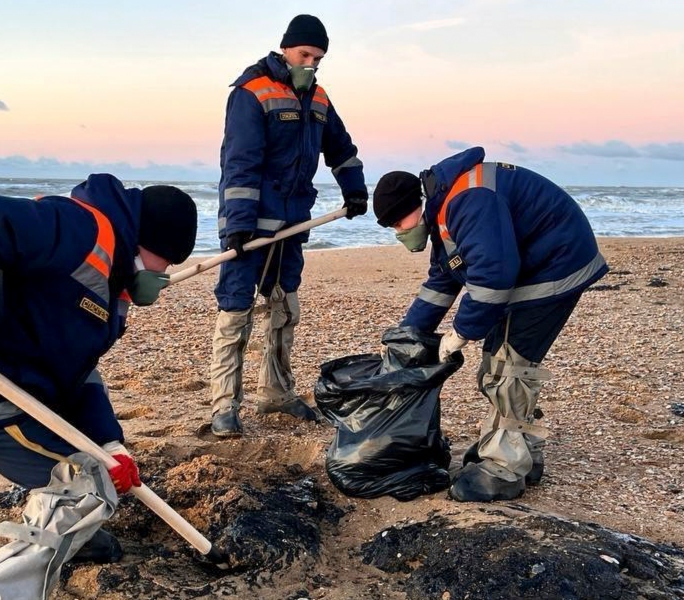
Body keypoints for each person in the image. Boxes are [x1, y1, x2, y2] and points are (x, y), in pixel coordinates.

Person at [0, 173, 198, 561]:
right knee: (90, 489)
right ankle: (33, 554)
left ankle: (62, 489)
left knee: (97, 466)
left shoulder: (114, 283)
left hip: (19, 385)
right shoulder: (79, 230)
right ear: (147, 239)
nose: (164, 273)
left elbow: (78, 371)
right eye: (167, 261)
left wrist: (109, 440)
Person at [371, 146, 609, 502]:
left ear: (414, 207)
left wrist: (460, 334)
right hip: (535, 263)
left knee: (508, 367)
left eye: (396, 224)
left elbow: (494, 277)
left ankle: (505, 469)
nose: (398, 232)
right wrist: (408, 336)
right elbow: (443, 280)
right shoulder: (444, 210)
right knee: (501, 362)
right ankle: (520, 451)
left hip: (555, 266)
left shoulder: (467, 201)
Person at [210, 14, 370, 438]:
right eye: (306, 55)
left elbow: (342, 148)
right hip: (251, 224)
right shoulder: (252, 92)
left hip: (294, 222)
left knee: (284, 307)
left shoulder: (318, 99)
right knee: (236, 308)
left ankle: (276, 392)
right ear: (286, 48)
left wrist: (354, 189)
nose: (312, 64)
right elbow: (239, 162)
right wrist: (240, 224)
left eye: (319, 58)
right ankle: (224, 405)